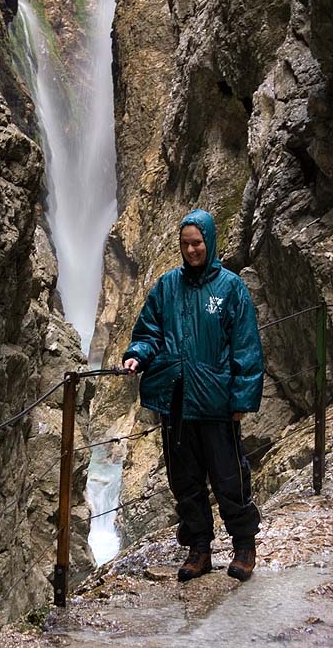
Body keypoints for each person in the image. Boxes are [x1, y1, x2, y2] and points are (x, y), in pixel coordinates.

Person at [122, 209, 263, 583]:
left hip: (216, 401)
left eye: (197, 243)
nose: (191, 249)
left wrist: (241, 400)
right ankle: (199, 548)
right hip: (177, 401)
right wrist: (137, 354)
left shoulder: (231, 287)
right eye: (185, 244)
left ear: (209, 242)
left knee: (229, 476)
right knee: (185, 481)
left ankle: (244, 546)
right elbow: (149, 331)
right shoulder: (167, 286)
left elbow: (246, 346)